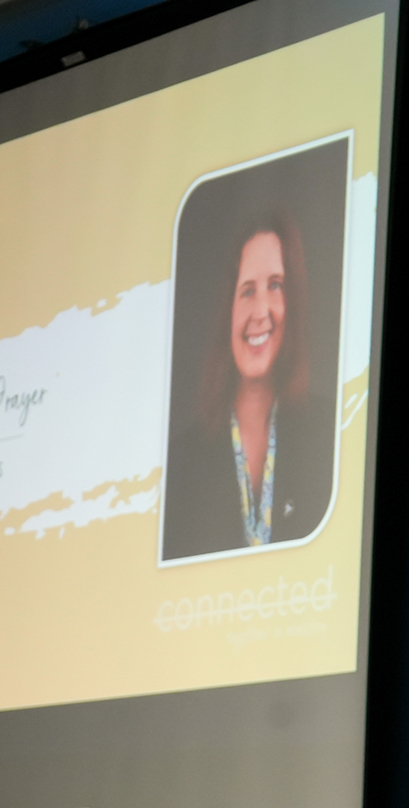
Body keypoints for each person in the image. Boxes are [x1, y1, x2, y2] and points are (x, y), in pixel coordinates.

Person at [161, 208, 334, 560]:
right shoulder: (180, 465)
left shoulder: (331, 435)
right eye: (247, 290)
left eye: (275, 285)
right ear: (229, 309)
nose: (260, 311)